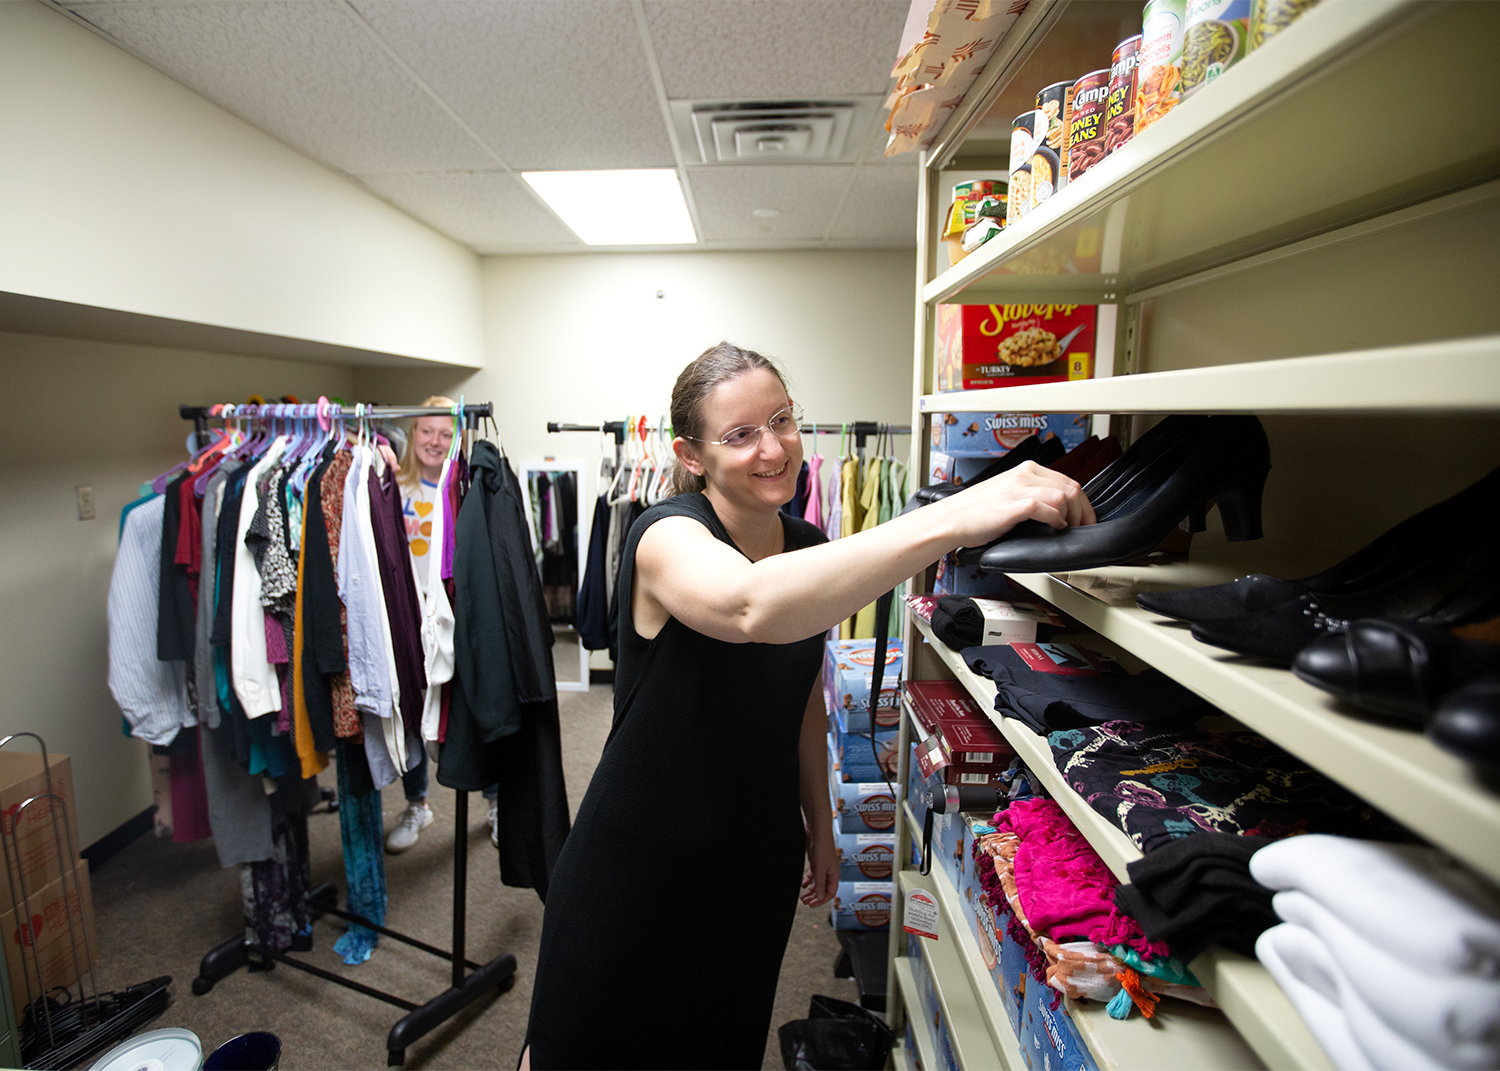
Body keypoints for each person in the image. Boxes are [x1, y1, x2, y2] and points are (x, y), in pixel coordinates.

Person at [521, 343, 1093, 1069]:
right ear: (690, 455)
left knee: (714, 1043)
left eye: (783, 420)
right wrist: (955, 514)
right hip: (637, 861)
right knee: (581, 1044)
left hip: (750, 860)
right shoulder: (666, 536)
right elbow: (752, 605)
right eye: (740, 434)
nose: (773, 448)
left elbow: (801, 692)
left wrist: (822, 824)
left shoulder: (808, 547)